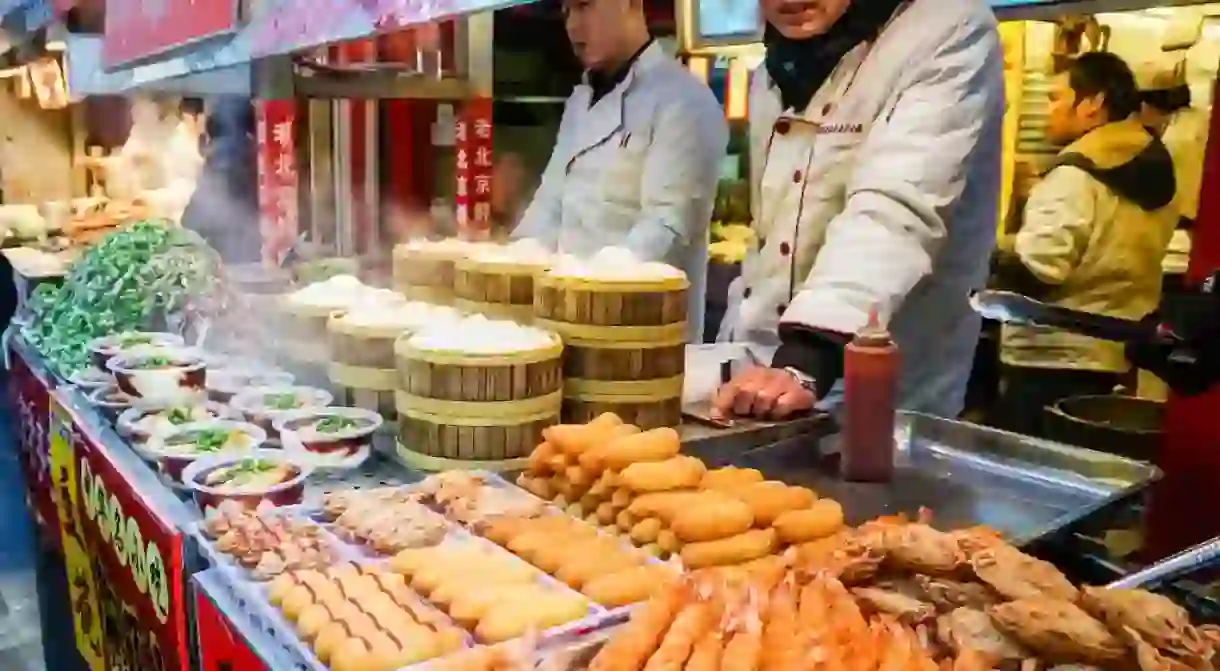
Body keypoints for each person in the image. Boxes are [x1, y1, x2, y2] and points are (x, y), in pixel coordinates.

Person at [710, 0, 1004, 420]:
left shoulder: (949, 27)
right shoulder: (772, 72)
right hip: (756, 378)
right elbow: (770, 238)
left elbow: (894, 209)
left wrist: (806, 356)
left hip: (881, 397)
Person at [511, 0, 729, 342]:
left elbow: (668, 227)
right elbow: (550, 202)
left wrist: (589, 285)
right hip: (565, 324)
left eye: (585, 6)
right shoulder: (581, 99)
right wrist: (512, 260)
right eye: (566, 12)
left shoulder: (685, 100)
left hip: (640, 338)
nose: (572, 26)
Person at [992, 52, 1178, 437]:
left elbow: (1039, 271)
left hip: (1051, 360)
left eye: (1056, 98)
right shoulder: (1154, 163)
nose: (1048, 111)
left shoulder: (1075, 174)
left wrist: (984, 255)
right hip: (1112, 356)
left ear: (1092, 103)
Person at [180, 97, 264, 265]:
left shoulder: (222, 152)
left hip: (229, 252)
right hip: (254, 247)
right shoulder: (253, 148)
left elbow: (196, 215)